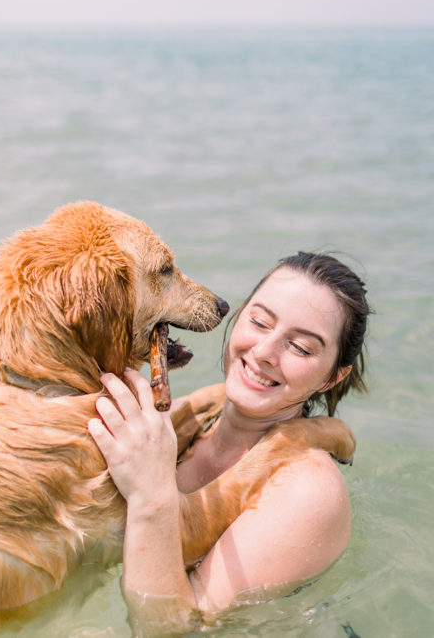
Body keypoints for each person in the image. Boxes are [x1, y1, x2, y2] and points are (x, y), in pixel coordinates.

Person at [87, 252, 371, 635]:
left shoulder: (310, 492)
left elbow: (168, 630)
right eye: (259, 321)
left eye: (301, 348)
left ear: (332, 379)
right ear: (238, 316)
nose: (264, 352)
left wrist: (149, 497)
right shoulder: (197, 415)